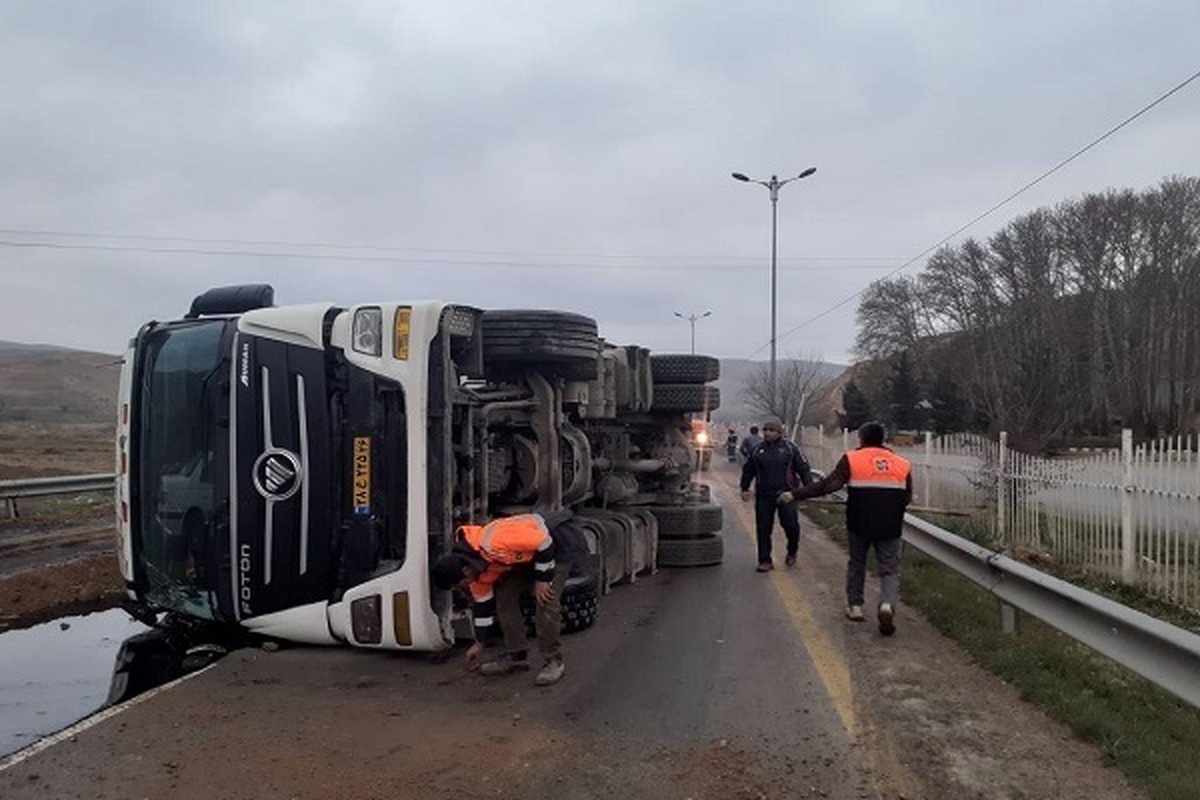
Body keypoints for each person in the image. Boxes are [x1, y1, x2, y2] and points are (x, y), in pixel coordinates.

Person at [777, 421, 911, 636]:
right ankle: (886, 603)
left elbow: (827, 485)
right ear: (883, 439)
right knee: (889, 569)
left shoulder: (852, 459)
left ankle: (855, 606)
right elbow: (907, 497)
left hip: (859, 522)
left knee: (857, 563)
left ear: (862, 439)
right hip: (890, 524)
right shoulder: (901, 463)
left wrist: (794, 494)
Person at [431, 510, 586, 686]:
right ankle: (516, 655)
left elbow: (544, 543)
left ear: (465, 572)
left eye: (459, 585)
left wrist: (543, 580)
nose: (462, 589)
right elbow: (483, 609)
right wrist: (480, 643)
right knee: (505, 596)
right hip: (528, 554)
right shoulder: (476, 573)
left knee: (545, 599)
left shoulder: (495, 543)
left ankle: (553, 661)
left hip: (557, 542)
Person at [739, 419, 813, 571]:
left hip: (787, 495)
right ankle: (765, 560)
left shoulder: (790, 449)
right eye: (765, 430)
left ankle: (792, 552)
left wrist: (809, 488)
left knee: (791, 526)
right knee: (763, 528)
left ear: (779, 432)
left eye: (771, 430)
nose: (767, 433)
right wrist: (744, 488)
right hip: (764, 496)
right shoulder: (757, 450)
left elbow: (803, 469)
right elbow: (748, 470)